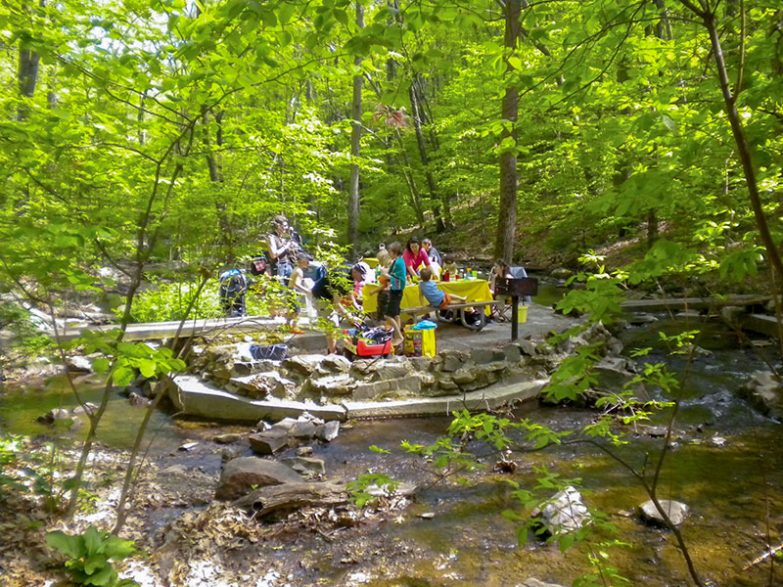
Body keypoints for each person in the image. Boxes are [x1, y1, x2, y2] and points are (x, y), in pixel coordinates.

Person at [385, 241, 406, 347]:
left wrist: (387, 276)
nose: (389, 253)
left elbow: (401, 279)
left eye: (390, 251)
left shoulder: (399, 262)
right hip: (395, 290)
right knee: (396, 315)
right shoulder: (396, 261)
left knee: (388, 315)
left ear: (395, 252)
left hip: (397, 291)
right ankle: (396, 334)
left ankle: (399, 337)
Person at [266, 215, 298, 283]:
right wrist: (286, 245)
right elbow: (273, 254)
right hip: (278, 267)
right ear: (278, 226)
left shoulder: (283, 238)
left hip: (288, 265)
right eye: (284, 225)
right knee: (280, 291)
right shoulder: (271, 237)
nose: (286, 228)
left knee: (291, 288)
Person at [286, 254, 313, 334]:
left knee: (292, 310)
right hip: (294, 292)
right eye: (307, 262)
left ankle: (287, 325)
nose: (308, 264)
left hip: (289, 291)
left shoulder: (296, 269)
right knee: (297, 311)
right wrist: (307, 290)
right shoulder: (299, 271)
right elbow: (296, 284)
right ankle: (294, 327)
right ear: (302, 262)